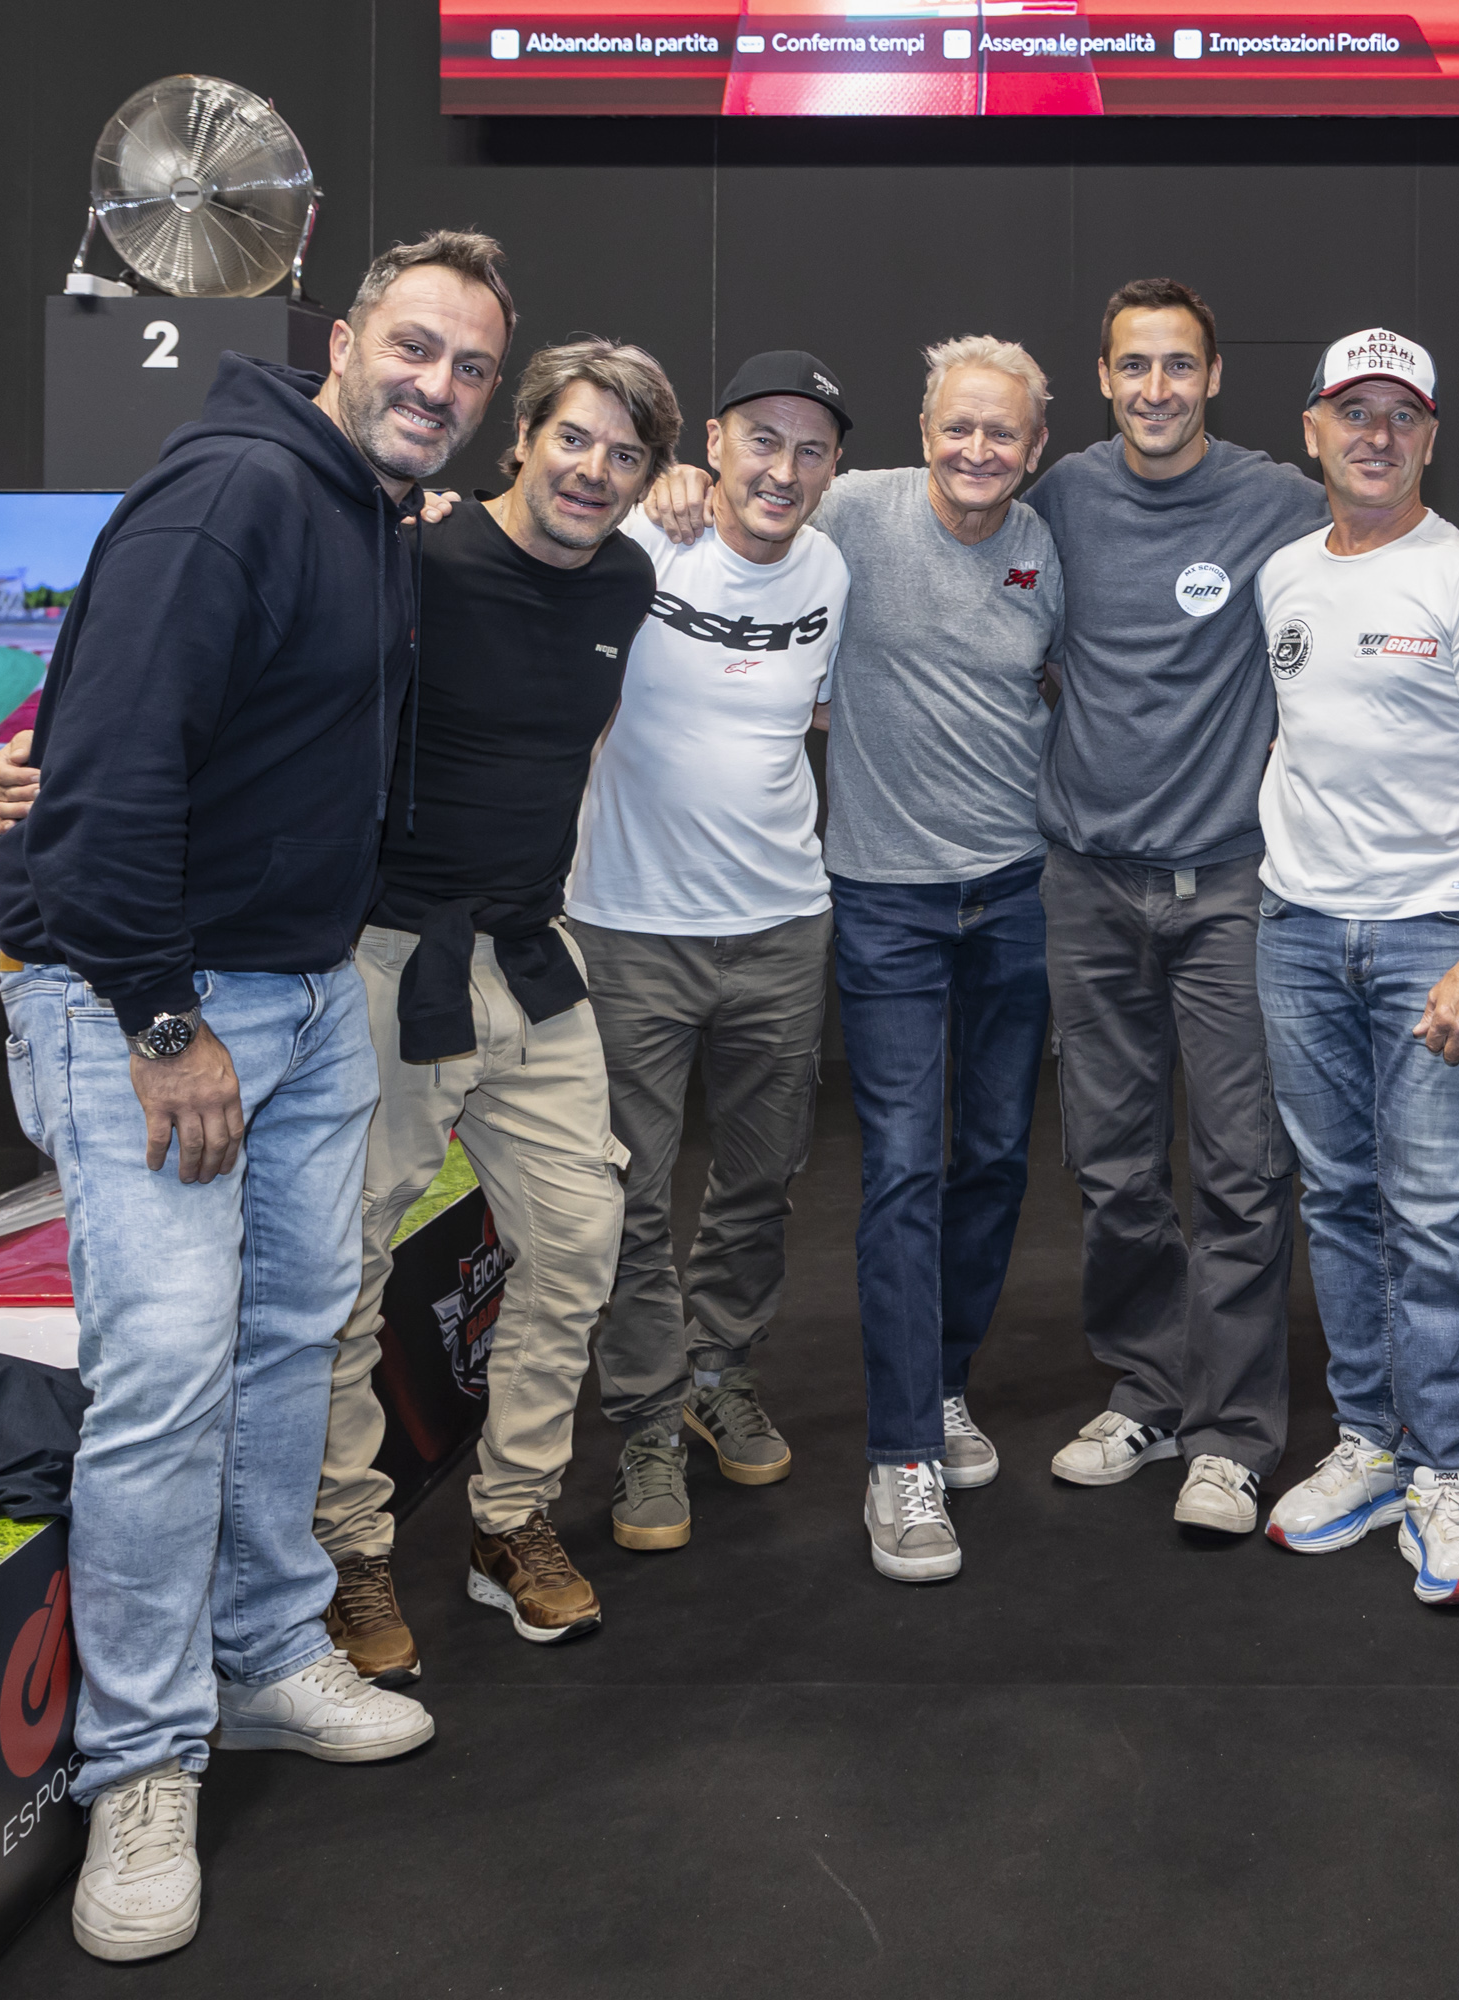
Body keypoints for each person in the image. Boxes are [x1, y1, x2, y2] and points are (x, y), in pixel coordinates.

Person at [0, 339, 679, 1680]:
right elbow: (207, 676)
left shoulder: (627, 581)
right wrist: (43, 758)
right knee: (343, 1272)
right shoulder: (410, 549)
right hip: (386, 956)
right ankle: (351, 1547)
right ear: (521, 435)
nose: (595, 470)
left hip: (534, 956)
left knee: (582, 1239)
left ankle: (511, 1518)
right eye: (575, 437)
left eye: (628, 454)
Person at [0, 228, 512, 1963]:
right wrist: (161, 1020)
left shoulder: (365, 506)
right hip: (150, 998)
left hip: (297, 989)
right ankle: (140, 1762)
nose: (440, 385)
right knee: (165, 1376)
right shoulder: (234, 494)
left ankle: (270, 1650)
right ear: (341, 339)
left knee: (293, 1338)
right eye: (415, 347)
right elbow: (103, 780)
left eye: (471, 367)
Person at [1255, 328, 1459, 1607]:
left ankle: (1446, 1470)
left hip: (1433, 935)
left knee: (1430, 1217)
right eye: (1353, 411)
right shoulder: (1282, 574)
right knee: (1335, 1199)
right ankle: (1371, 1443)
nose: (1376, 435)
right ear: (1312, 430)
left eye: (1402, 415)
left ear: (1431, 436)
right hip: (1297, 931)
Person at [1030, 278, 1326, 1536]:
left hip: (1232, 888)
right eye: (1134, 366)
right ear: (1104, 379)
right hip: (1088, 883)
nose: (1157, 388)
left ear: (1214, 377)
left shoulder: (1283, 500)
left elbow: (1402, 543)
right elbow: (927, 514)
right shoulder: (1061, 496)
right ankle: (1150, 1390)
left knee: (1244, 1169)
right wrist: (687, 486)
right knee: (1112, 1167)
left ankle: (1232, 1435)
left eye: (1180, 365)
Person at [578, 353, 853, 1559]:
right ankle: (645, 1420)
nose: (783, 469)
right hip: (628, 924)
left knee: (760, 1177)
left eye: (811, 448)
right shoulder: (641, 535)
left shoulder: (833, 568)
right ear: (715, 445)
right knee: (630, 1195)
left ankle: (716, 1370)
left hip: (782, 925)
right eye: (763, 440)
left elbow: (823, 708)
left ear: (835, 468)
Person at [813, 336, 1063, 1582]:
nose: (977, 450)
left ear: (1036, 447)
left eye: (1001, 432)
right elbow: (740, 506)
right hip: (886, 901)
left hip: (1016, 893)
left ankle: (944, 1376)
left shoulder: (1046, 547)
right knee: (905, 1164)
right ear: (922, 431)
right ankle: (901, 1450)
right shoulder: (851, 512)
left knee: (999, 1155)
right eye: (957, 427)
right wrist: (679, 489)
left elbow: (1064, 683)